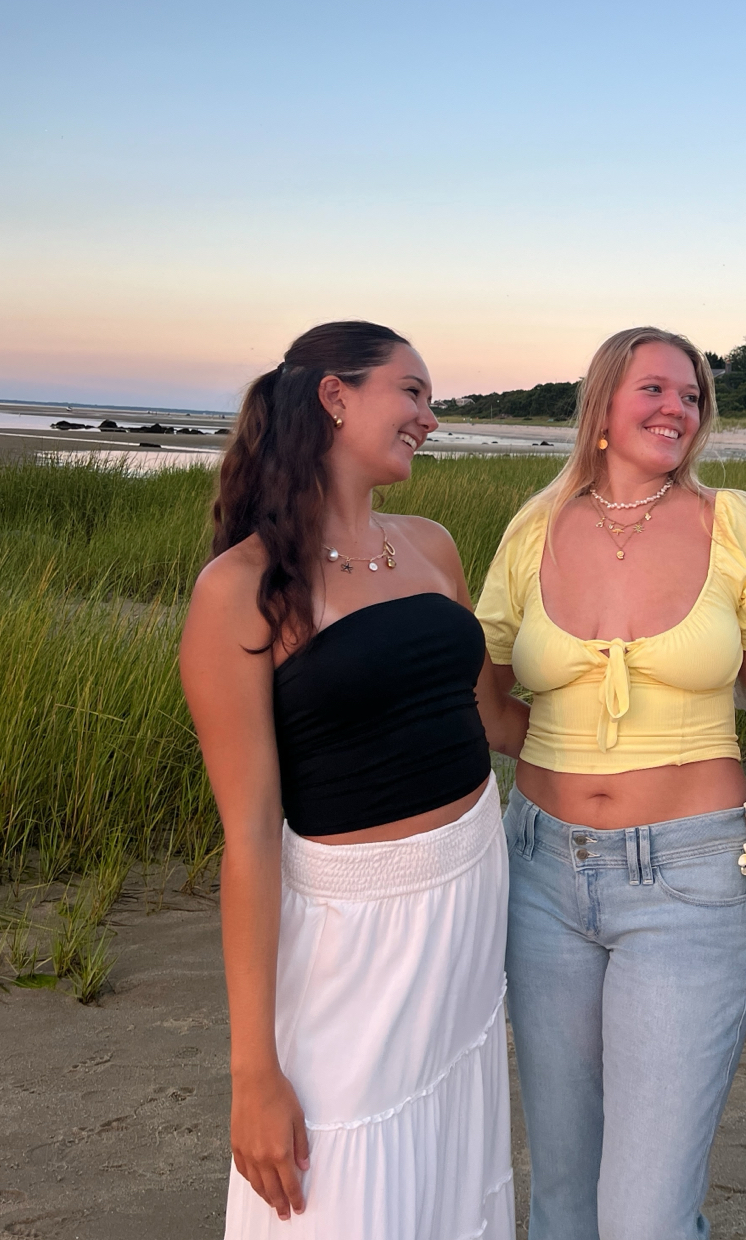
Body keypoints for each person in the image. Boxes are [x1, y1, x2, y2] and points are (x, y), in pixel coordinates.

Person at [179, 320, 515, 1240]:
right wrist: (254, 1073)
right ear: (336, 395)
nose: (430, 419)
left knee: (449, 1156)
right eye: (412, 393)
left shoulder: (433, 545)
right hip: (355, 929)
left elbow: (494, 719)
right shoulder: (242, 589)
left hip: (473, 887)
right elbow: (248, 837)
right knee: (338, 1186)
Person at [474, 325, 746, 1240]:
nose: (678, 410)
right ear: (604, 409)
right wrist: (554, 761)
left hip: (690, 885)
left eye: (692, 396)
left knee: (645, 1216)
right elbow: (485, 679)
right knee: (564, 1197)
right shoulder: (534, 525)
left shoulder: (730, 518)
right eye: (656, 389)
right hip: (540, 872)